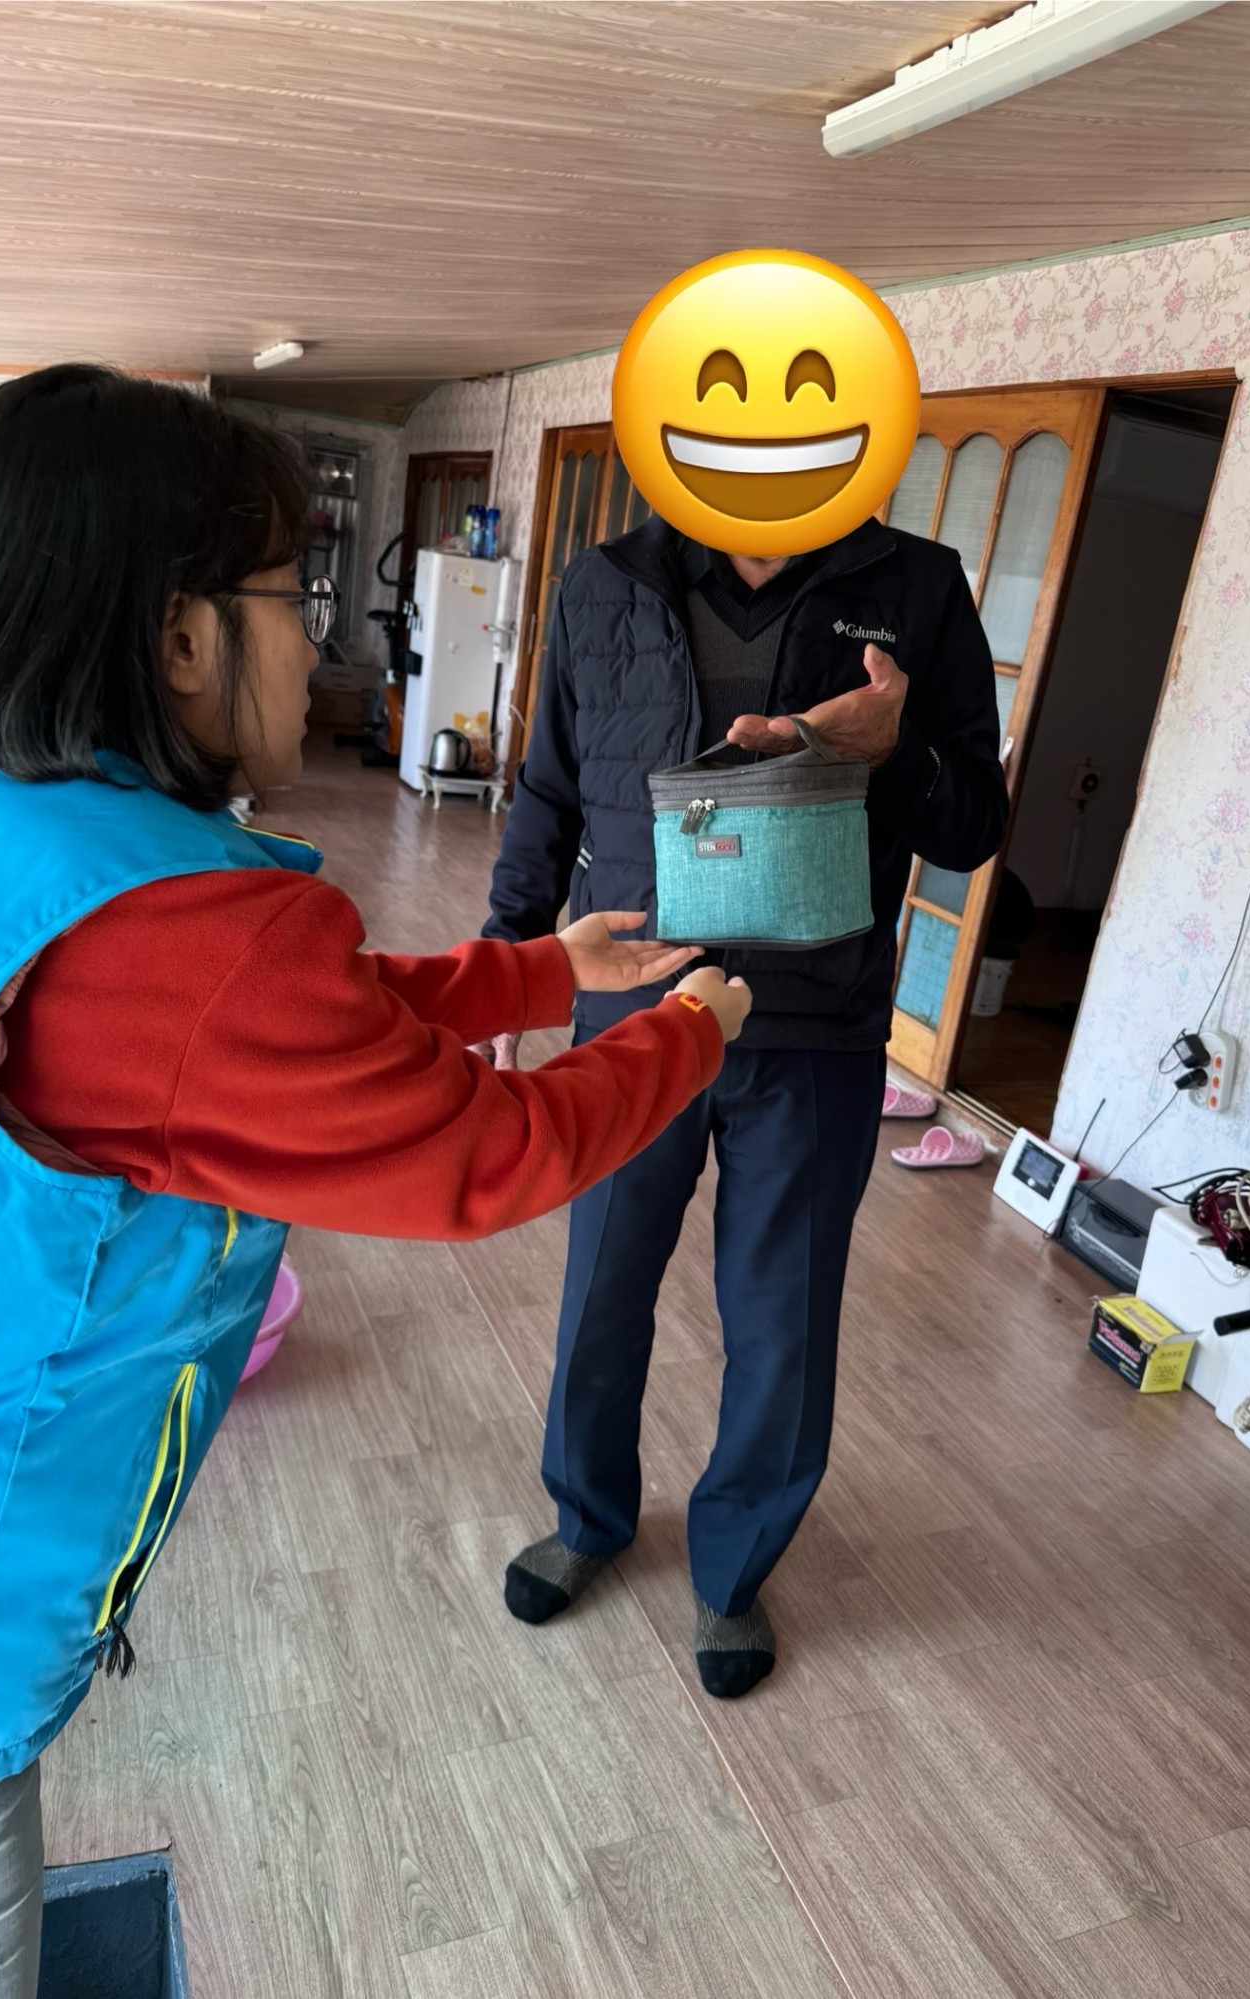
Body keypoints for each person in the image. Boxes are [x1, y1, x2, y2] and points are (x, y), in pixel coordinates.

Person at [0, 366, 752, 1996]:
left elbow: (271, 1028)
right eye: (298, 594)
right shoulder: (186, 932)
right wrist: (691, 1033)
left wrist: (538, 969)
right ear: (180, 637)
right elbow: (488, 1154)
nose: (323, 636)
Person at [482, 506, 1008, 1698]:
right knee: (601, 1285)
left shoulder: (918, 586)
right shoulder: (603, 582)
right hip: (635, 1011)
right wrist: (505, 965)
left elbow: (974, 824)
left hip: (814, 1025)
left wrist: (898, 749)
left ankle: (733, 1571)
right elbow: (549, 794)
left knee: (783, 1317)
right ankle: (587, 1513)